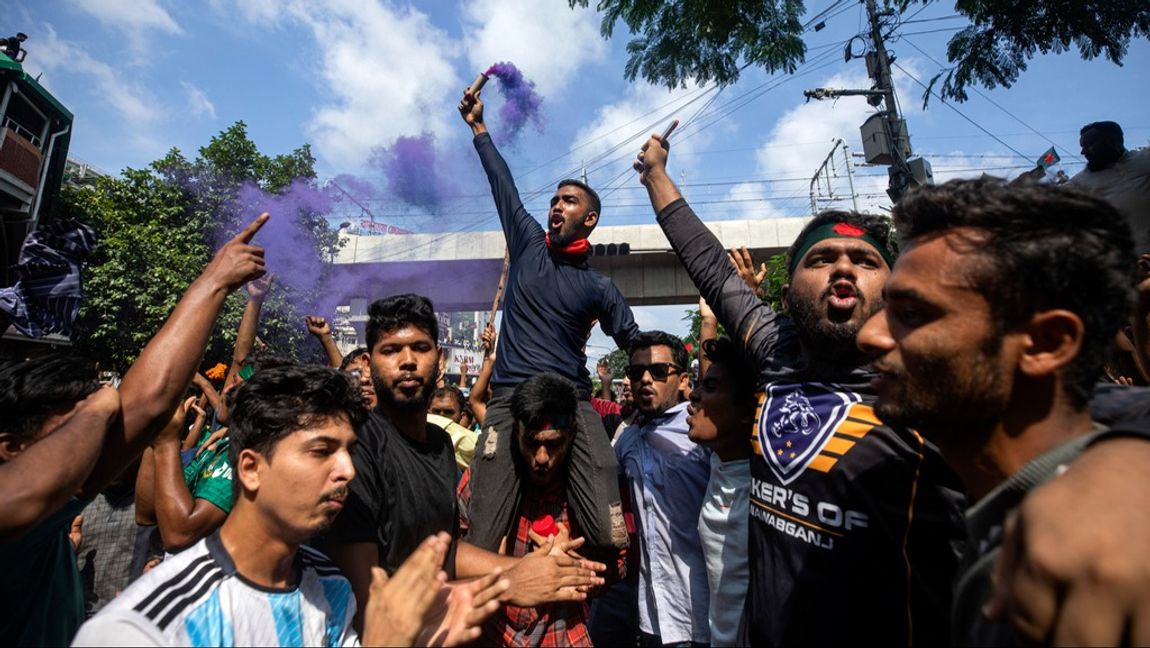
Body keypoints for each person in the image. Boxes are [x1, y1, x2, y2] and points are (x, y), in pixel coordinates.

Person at [633, 136, 964, 645]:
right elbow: (710, 267)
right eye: (822, 258)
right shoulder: (776, 353)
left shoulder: (936, 394)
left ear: (894, 294)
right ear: (787, 297)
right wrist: (655, 173)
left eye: (866, 260)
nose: (844, 268)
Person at [855, 177, 1141, 644]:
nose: (870, 336)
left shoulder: (1097, 565)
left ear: (1046, 343)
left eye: (913, 314)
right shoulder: (1001, 525)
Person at [73, 364, 508, 646]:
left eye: (349, 451)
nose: (347, 471)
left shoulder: (334, 594)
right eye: (322, 451)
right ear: (250, 468)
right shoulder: (147, 629)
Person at [0, 213, 270, 647]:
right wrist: (101, 406)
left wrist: (218, 283)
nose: (102, 421)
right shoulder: (22, 515)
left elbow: (150, 405)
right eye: (70, 419)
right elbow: (143, 407)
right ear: (13, 448)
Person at [323, 294, 606, 634]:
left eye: (421, 348)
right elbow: (368, 604)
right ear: (368, 364)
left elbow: (448, 553)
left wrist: (526, 568)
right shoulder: (357, 449)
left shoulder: (441, 445)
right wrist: (506, 585)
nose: (408, 361)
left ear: (439, 359)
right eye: (391, 350)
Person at [459, 90, 636, 554]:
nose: (557, 206)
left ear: (590, 218)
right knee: (480, 536)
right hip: (508, 398)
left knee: (608, 534)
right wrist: (479, 128)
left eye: (569, 200)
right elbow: (503, 183)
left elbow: (635, 343)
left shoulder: (600, 288)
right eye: (555, 200)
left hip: (571, 402)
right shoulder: (527, 244)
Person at [458, 372, 618, 646]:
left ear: (572, 436)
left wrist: (572, 564)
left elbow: (617, 567)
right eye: (531, 443)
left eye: (553, 444)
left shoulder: (589, 492)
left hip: (565, 638)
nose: (542, 457)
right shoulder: (484, 483)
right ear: (516, 433)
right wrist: (521, 572)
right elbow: (446, 553)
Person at [613, 330, 712, 646]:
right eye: (635, 372)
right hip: (651, 618)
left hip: (705, 614)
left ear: (683, 380)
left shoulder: (703, 431)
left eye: (657, 371)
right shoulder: (628, 440)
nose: (644, 379)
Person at [687, 337, 755, 646]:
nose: (693, 395)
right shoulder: (719, 460)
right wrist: (709, 321)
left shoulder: (763, 490)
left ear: (748, 410)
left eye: (710, 389)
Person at [1068, 120, 1150, 253]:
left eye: (1089, 144)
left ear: (1112, 141)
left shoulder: (1145, 158)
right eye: (1082, 146)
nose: (1083, 152)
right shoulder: (1080, 182)